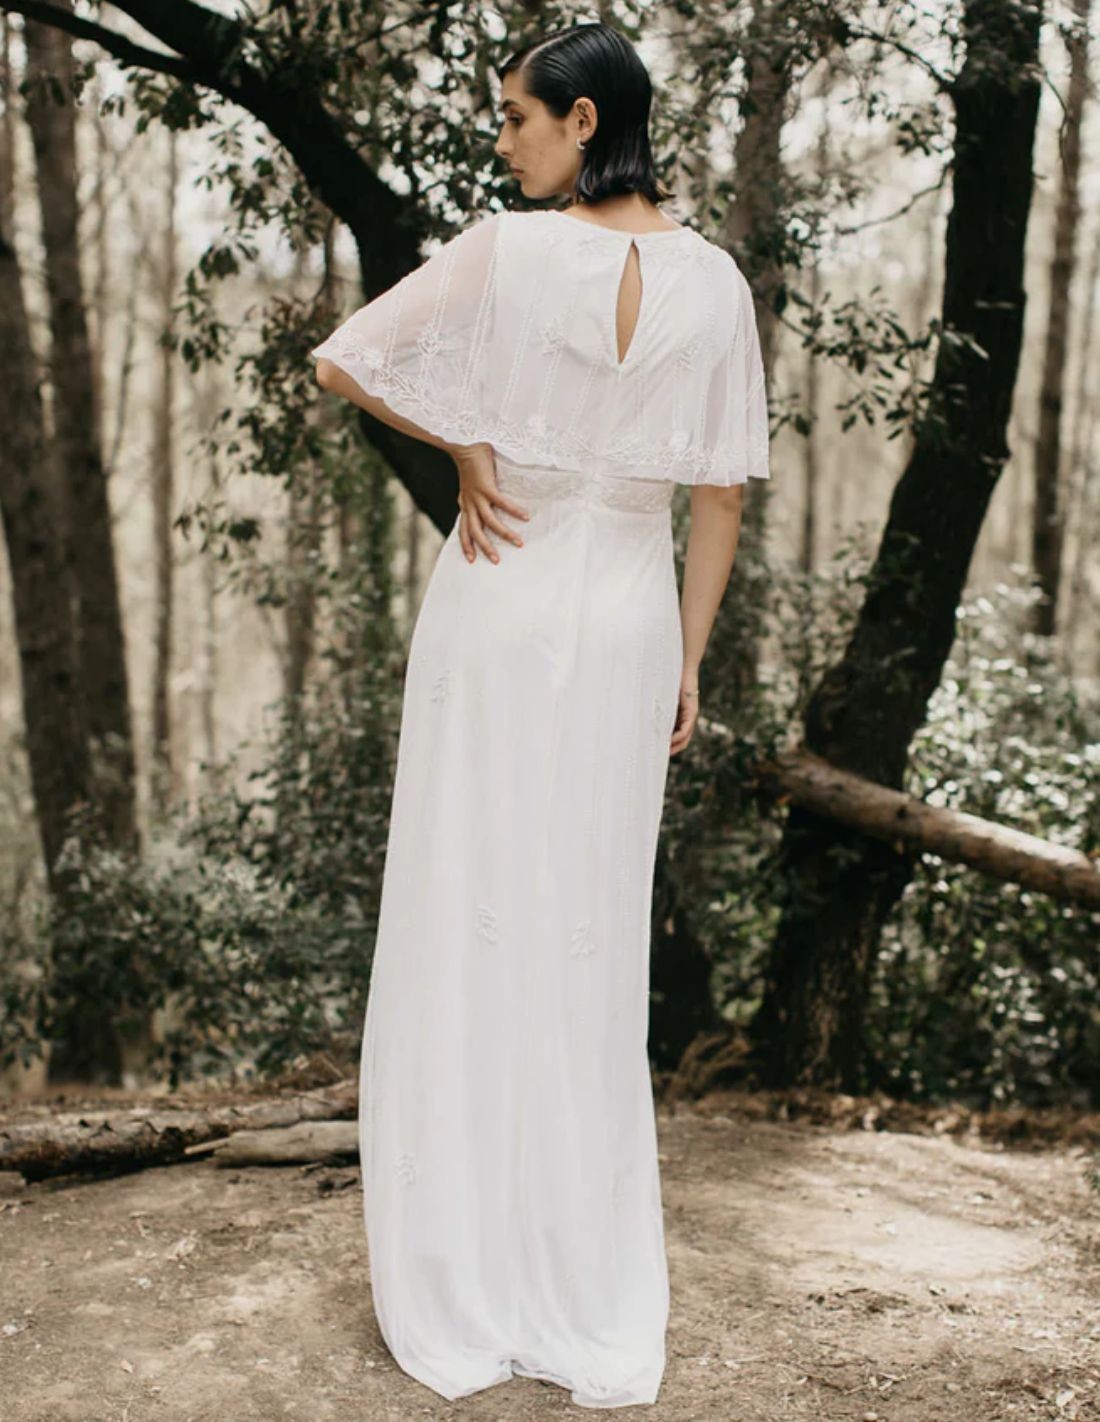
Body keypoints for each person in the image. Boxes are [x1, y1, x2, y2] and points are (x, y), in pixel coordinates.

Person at [310, 20, 770, 1410]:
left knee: (469, 912)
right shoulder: (715, 283)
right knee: (588, 934)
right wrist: (688, 662)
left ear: (583, 121)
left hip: (500, 598)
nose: (502, 140)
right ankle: (572, 1267)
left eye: (517, 116)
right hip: (629, 622)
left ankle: (465, 1264)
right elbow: (719, 496)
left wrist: (466, 445)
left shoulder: (504, 252)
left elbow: (343, 358)